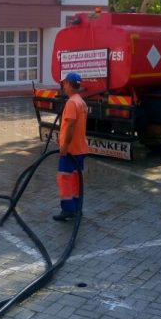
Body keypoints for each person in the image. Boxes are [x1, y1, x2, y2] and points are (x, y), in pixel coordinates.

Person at [53, 72, 89, 222]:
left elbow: (70, 126)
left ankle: (68, 209)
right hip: (80, 148)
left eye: (64, 83)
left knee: (64, 178)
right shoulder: (81, 102)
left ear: (68, 83)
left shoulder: (71, 103)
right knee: (76, 179)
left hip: (70, 150)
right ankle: (77, 208)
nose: (63, 86)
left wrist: (64, 146)